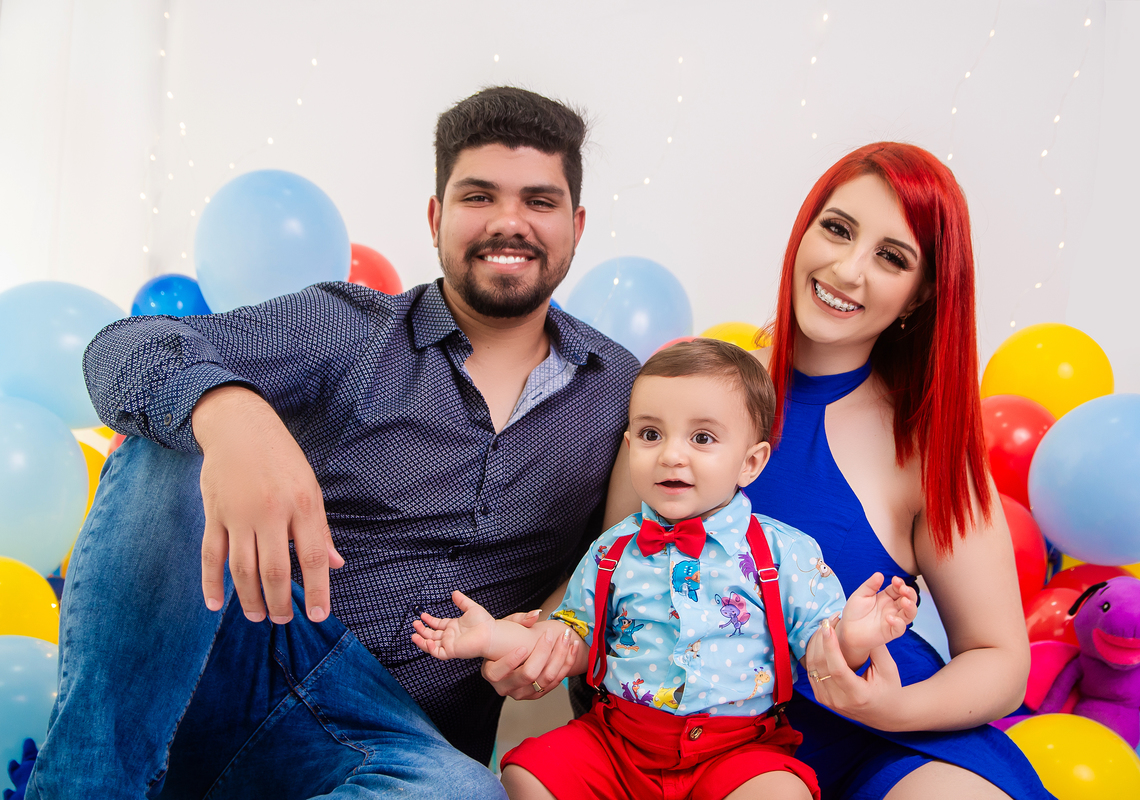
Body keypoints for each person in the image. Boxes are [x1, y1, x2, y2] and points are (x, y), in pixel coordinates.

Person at [25, 87, 641, 799]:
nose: (509, 222)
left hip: (396, 745)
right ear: (436, 217)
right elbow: (120, 349)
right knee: (174, 441)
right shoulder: (347, 326)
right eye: (479, 196)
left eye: (538, 201)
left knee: (465, 797)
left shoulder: (621, 392)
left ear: (576, 225)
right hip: (236, 650)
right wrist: (231, 413)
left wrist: (556, 633)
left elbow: (637, 554)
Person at [412, 339, 920, 800]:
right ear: (630, 445)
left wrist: (855, 636)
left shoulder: (783, 552)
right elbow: (569, 639)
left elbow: (820, 654)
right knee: (526, 775)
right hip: (618, 742)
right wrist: (495, 638)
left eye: (702, 438)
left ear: (751, 463)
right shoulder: (612, 550)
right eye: (652, 434)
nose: (672, 455)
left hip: (737, 750)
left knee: (781, 794)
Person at [742, 142, 1053, 799]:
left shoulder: (926, 445)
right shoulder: (695, 384)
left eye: (892, 257)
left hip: (888, 744)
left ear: (921, 294)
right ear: (804, 230)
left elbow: (998, 659)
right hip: (715, 747)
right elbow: (607, 568)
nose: (848, 269)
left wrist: (888, 709)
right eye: (837, 229)